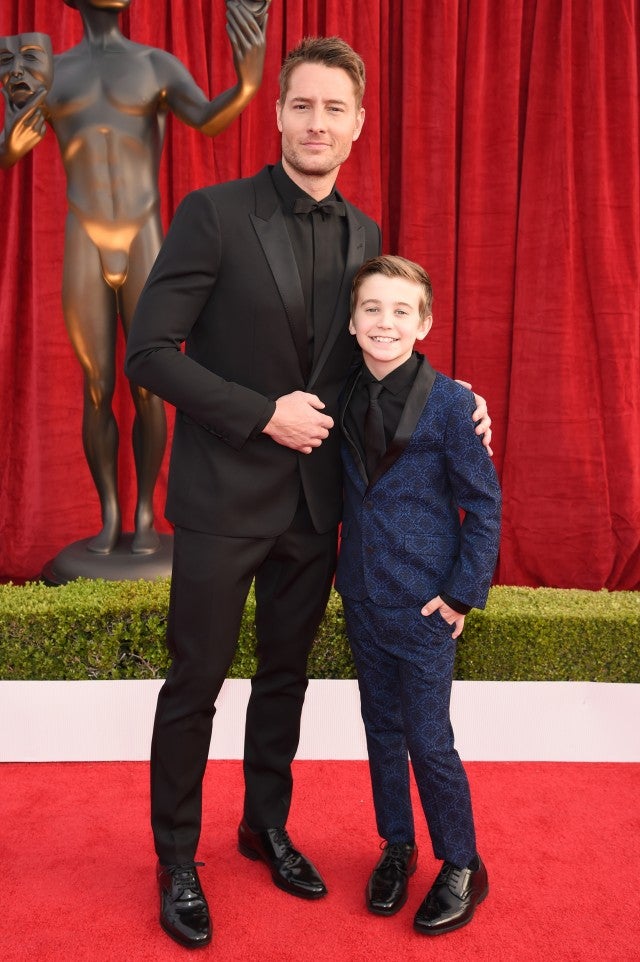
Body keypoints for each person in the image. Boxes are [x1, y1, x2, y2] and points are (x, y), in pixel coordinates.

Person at [125, 36, 492, 950]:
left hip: (318, 508)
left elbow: (380, 354)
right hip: (221, 499)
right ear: (278, 111)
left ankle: (265, 826)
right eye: (302, 105)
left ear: (358, 125)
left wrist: (460, 398)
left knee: (283, 680)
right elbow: (148, 354)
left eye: (335, 108)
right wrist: (261, 415)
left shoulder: (367, 235)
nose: (317, 122)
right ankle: (177, 857)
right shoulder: (212, 214)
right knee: (196, 684)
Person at [0, 0, 268, 555]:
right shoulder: (52, 69)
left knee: (150, 384)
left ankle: (145, 515)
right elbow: (12, 138)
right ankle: (111, 515)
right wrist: (6, 149)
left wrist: (246, 85)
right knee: (97, 387)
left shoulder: (155, 65)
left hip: (145, 235)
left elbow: (207, 117)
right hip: (86, 236)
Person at [335, 254, 501, 936]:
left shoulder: (453, 404)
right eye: (372, 309)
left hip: (426, 604)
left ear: (424, 323)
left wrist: (461, 595)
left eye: (402, 311)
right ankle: (396, 846)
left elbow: (484, 507)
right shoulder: (340, 393)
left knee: (429, 742)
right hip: (362, 597)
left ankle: (461, 861)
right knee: (380, 731)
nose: (385, 322)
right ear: (352, 321)